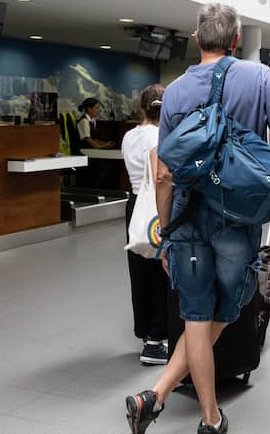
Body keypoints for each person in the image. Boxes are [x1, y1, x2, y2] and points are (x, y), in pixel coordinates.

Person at [125, 3, 270, 434]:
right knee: (226, 311)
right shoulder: (258, 77)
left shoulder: (174, 91)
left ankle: (178, 404)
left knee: (196, 316)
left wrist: (166, 235)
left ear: (197, 39)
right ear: (236, 40)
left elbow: (163, 173)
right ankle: (200, 415)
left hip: (187, 216)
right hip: (237, 216)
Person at [121, 85, 170, 365]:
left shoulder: (129, 136)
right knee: (161, 271)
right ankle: (156, 341)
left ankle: (145, 333)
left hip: (135, 207)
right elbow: (159, 176)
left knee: (139, 270)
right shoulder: (157, 135)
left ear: (142, 108)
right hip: (154, 208)